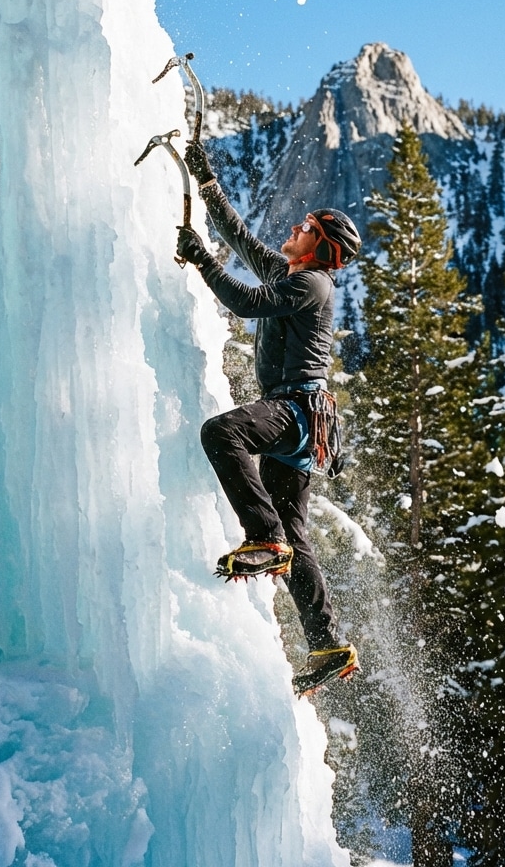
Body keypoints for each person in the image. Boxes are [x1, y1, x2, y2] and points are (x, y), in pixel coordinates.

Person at [176, 140, 362, 696]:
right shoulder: (294, 274)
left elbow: (246, 303)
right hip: (307, 423)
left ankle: (263, 536)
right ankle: (328, 643)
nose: (297, 228)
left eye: (307, 226)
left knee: (222, 432)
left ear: (321, 246)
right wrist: (206, 182)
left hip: (297, 409)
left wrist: (202, 261)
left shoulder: (310, 283)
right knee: (296, 532)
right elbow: (241, 238)